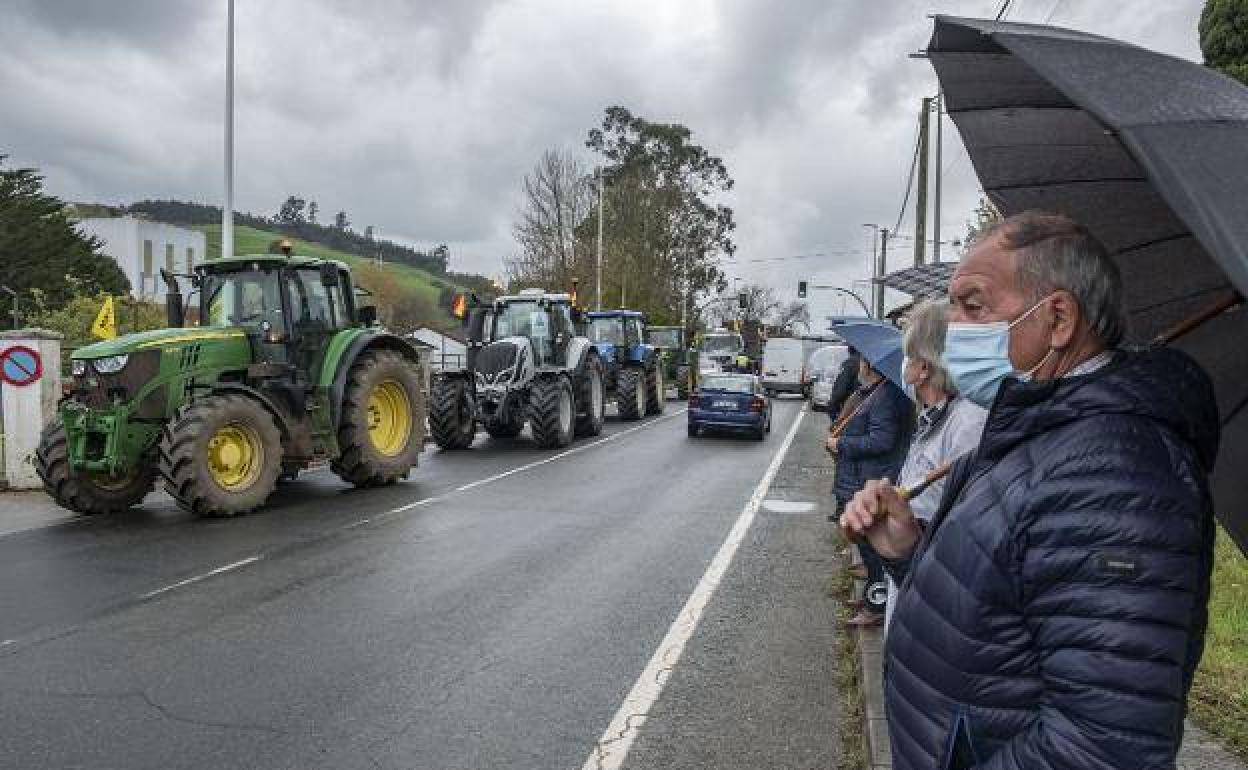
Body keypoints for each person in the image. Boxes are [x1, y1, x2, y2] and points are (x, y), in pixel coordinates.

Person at [840, 211, 1219, 770]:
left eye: (973, 306)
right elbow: (997, 615)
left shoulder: (1111, 476)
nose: (956, 332)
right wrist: (907, 551)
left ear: (1059, 318)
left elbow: (1101, 747)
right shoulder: (1037, 434)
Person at [884, 299, 987, 629]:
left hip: (935, 594)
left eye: (909, 357)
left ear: (924, 367)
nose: (905, 366)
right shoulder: (934, 420)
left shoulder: (969, 423)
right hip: (913, 580)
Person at [827, 355, 913, 627]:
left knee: (874, 549)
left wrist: (842, 444)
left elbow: (881, 440)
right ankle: (870, 597)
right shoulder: (873, 392)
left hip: (868, 478)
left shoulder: (885, 396)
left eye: (862, 361)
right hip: (858, 476)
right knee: (866, 546)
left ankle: (876, 603)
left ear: (868, 366)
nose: (859, 366)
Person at [826, 345, 862, 420]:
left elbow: (840, 390)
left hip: (850, 412)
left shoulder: (850, 364)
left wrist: (832, 409)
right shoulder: (875, 364)